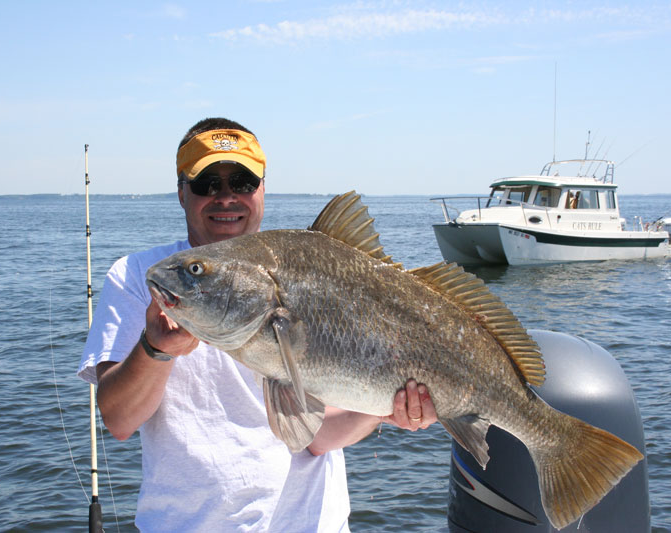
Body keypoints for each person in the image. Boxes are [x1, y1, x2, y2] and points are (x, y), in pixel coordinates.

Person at [78, 117, 437, 532]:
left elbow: (316, 437)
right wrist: (155, 350)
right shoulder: (144, 277)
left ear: (263, 189)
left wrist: (385, 412)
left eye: (242, 182)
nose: (225, 197)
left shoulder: (311, 271)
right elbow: (119, 419)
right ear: (181, 193)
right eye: (207, 183)